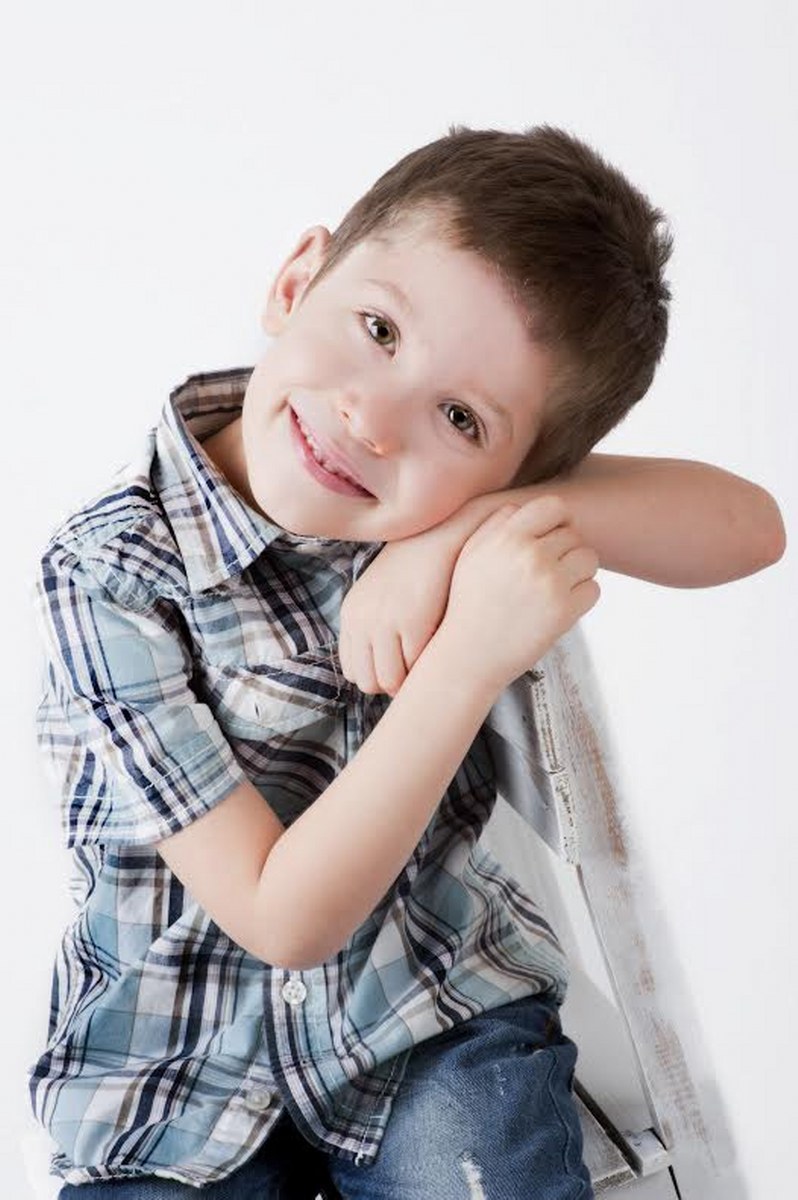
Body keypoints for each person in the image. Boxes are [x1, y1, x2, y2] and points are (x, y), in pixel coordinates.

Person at [29, 124, 785, 1200]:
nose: (373, 420)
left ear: (515, 466)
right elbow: (283, 918)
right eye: (378, 328)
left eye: (461, 418)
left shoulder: (438, 512)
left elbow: (752, 528)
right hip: (170, 1073)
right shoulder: (110, 574)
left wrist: (474, 523)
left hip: (426, 1014)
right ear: (298, 280)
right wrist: (464, 658)